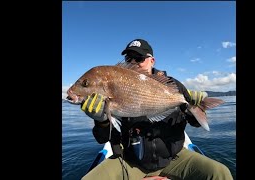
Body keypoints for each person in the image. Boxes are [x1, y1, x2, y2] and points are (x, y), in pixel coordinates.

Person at [80, 39, 233, 180]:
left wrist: (193, 107)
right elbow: (103, 139)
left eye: (139, 58)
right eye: (129, 59)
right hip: (131, 162)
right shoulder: (112, 89)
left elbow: (195, 123)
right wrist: (101, 121)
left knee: (220, 173)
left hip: (175, 158)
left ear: (152, 61)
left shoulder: (173, 85)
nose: (133, 62)